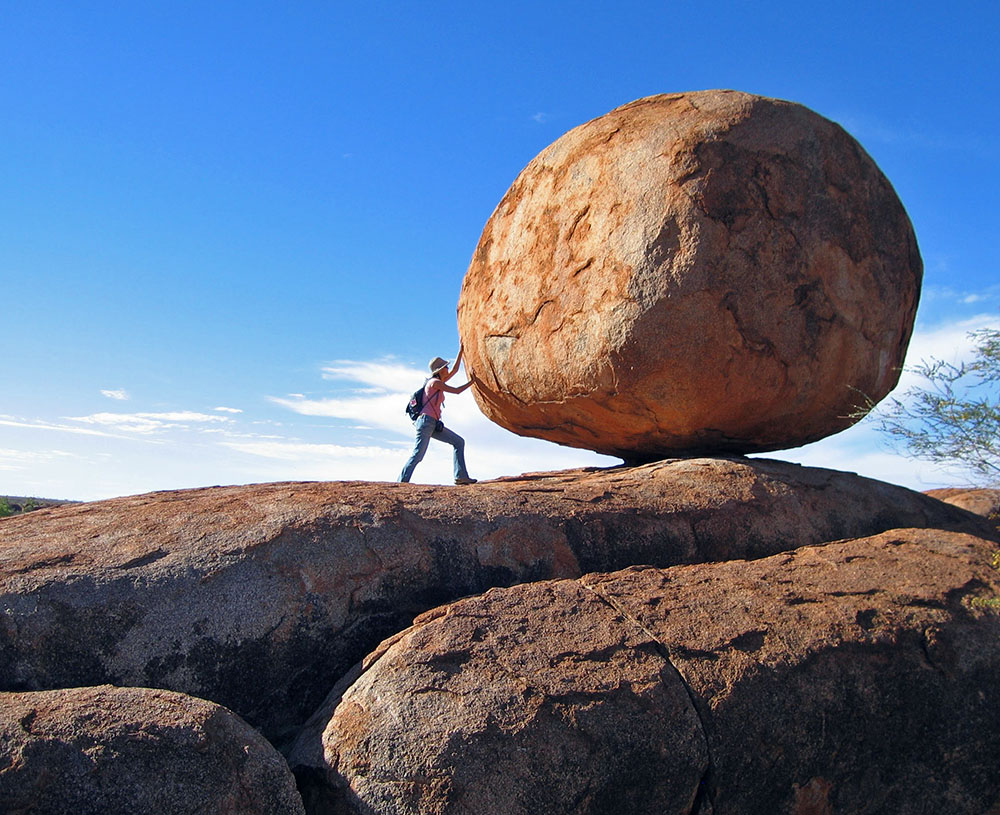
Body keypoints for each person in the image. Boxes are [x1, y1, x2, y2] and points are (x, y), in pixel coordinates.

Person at [398, 348, 477, 485]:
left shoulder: (439, 380)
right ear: (440, 370)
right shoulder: (435, 383)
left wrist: (461, 352)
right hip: (426, 422)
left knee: (459, 442)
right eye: (446, 367)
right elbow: (457, 391)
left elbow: (455, 370)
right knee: (418, 455)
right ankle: (401, 482)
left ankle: (461, 476)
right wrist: (473, 381)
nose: (448, 368)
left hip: (433, 423)